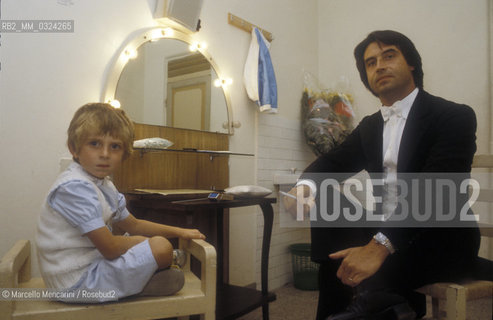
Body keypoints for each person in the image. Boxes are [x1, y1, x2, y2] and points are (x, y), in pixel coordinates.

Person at [283, 30, 482, 319]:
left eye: (389, 55)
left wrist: (380, 246)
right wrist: (303, 186)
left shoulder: (453, 116)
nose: (380, 66)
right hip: (383, 228)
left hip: (441, 238)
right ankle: (383, 301)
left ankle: (377, 301)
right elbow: (330, 164)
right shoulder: (371, 126)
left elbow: (435, 195)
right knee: (323, 197)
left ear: (411, 63)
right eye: (371, 62)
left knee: (347, 260)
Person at [36, 103, 206, 302]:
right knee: (160, 248)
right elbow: (110, 248)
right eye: (94, 144)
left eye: (115, 146)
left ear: (124, 153)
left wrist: (180, 231)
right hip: (75, 281)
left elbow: (133, 224)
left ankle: (144, 279)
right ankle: (142, 283)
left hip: (90, 267)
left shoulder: (103, 184)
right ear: (74, 148)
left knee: (157, 246)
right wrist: (145, 243)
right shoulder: (74, 187)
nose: (105, 154)